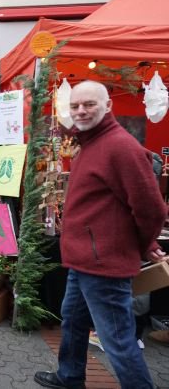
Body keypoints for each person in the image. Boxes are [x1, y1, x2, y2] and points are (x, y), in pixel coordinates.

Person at [34, 81, 168, 389]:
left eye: (89, 104)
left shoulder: (120, 147)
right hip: (84, 262)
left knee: (118, 340)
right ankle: (69, 376)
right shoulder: (92, 143)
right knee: (73, 320)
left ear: (108, 107)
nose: (81, 110)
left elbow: (152, 209)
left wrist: (142, 244)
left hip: (103, 265)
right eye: (76, 105)